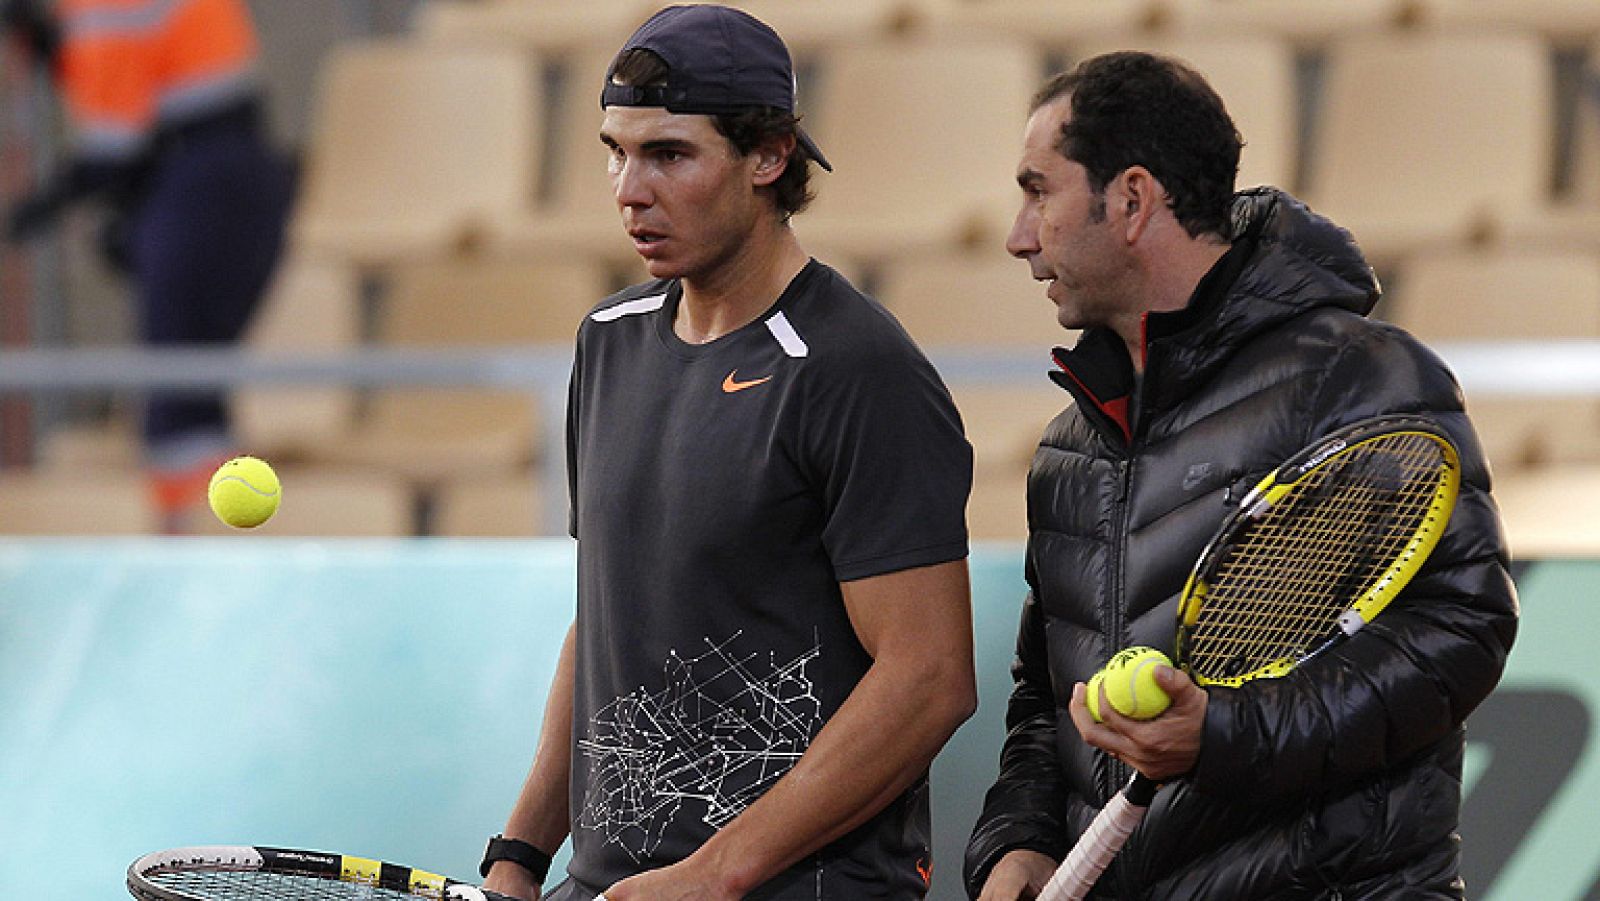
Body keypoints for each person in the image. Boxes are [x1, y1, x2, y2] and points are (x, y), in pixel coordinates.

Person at [964, 52, 1519, 900]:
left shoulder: (1363, 377)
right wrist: (1022, 842)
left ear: (1134, 199)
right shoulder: (1069, 444)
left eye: (1040, 191)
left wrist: (1224, 734)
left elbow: (1459, 631)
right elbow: (1046, 703)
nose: (1018, 234)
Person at [481, 6, 976, 900]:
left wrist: (714, 874)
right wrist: (521, 852)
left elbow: (931, 677)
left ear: (769, 157)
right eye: (615, 151)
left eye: (670, 155)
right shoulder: (607, 341)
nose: (629, 188)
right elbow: (605, 622)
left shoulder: (858, 367)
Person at [2, 0, 295, 531]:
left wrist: (35, 209)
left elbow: (112, 151)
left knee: (180, 398)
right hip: (224, 176)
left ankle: (194, 545)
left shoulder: (100, 9)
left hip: (206, 188)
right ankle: (207, 537)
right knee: (190, 392)